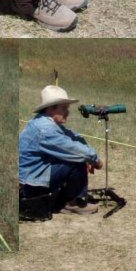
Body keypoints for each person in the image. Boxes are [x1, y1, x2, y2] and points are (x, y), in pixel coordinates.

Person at [19, 85, 102, 215]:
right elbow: (76, 150)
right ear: (51, 108)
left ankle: (63, 198)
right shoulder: (46, 129)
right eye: (64, 108)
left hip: (29, 178)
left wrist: (88, 155)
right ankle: (73, 203)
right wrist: (95, 160)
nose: (67, 112)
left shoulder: (43, 122)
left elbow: (73, 137)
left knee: (76, 156)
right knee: (76, 160)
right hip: (30, 185)